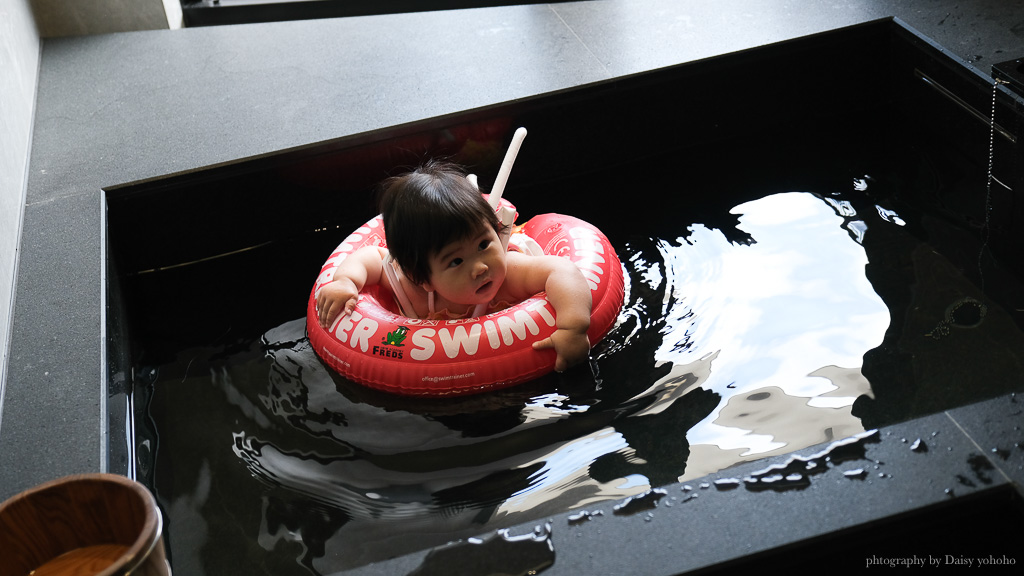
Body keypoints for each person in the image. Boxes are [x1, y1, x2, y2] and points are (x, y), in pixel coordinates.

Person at [316, 160, 592, 372]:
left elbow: (563, 270)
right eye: (456, 261)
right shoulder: (413, 289)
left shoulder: (511, 271)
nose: (481, 267)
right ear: (420, 277)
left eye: (484, 244)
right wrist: (346, 282)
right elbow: (373, 258)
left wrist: (573, 328)